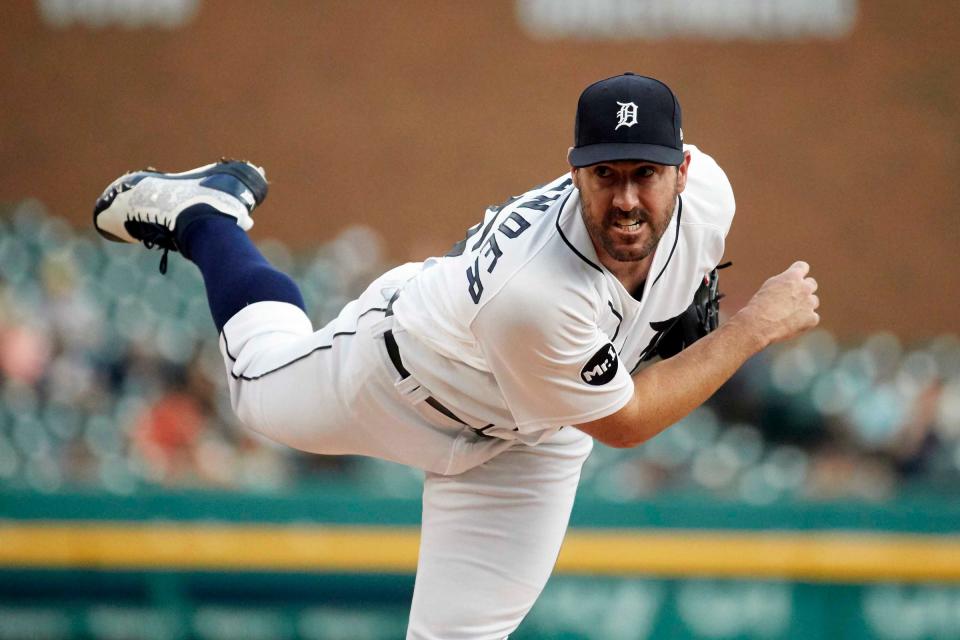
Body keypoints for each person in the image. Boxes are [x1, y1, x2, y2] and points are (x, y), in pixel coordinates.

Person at [92, 73, 819, 639]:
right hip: (407, 373)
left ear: (683, 170)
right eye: (606, 175)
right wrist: (752, 328)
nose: (627, 198)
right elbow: (625, 422)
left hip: (533, 439)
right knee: (255, 389)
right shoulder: (537, 291)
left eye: (646, 174)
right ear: (574, 173)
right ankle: (209, 218)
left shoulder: (711, 201)